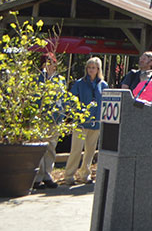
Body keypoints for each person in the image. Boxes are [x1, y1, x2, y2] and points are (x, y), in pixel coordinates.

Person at [62, 56, 107, 185]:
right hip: (82, 122)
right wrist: (76, 113)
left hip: (96, 122)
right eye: (89, 67)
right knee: (76, 149)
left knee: (90, 151)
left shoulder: (103, 85)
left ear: (98, 69)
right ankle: (69, 175)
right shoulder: (80, 83)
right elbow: (71, 99)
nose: (91, 70)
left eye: (93, 68)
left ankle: (85, 174)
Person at [33, 53, 63, 189]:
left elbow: (62, 98)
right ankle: (38, 177)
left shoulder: (59, 80)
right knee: (39, 148)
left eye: (51, 62)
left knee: (51, 148)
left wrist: (61, 115)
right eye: (46, 62)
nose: (49, 65)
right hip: (41, 118)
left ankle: (47, 175)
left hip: (55, 118)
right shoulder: (37, 79)